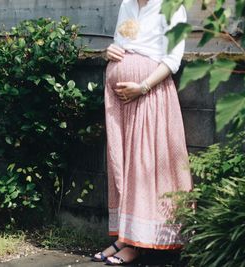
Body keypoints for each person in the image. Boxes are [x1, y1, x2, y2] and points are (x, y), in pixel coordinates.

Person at [91, 0, 194, 265]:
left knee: (143, 166)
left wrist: (142, 87)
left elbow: (172, 60)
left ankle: (137, 244)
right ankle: (125, 237)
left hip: (150, 96)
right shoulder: (127, 4)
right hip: (121, 101)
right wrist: (111, 52)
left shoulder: (172, 8)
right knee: (122, 165)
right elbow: (122, 44)